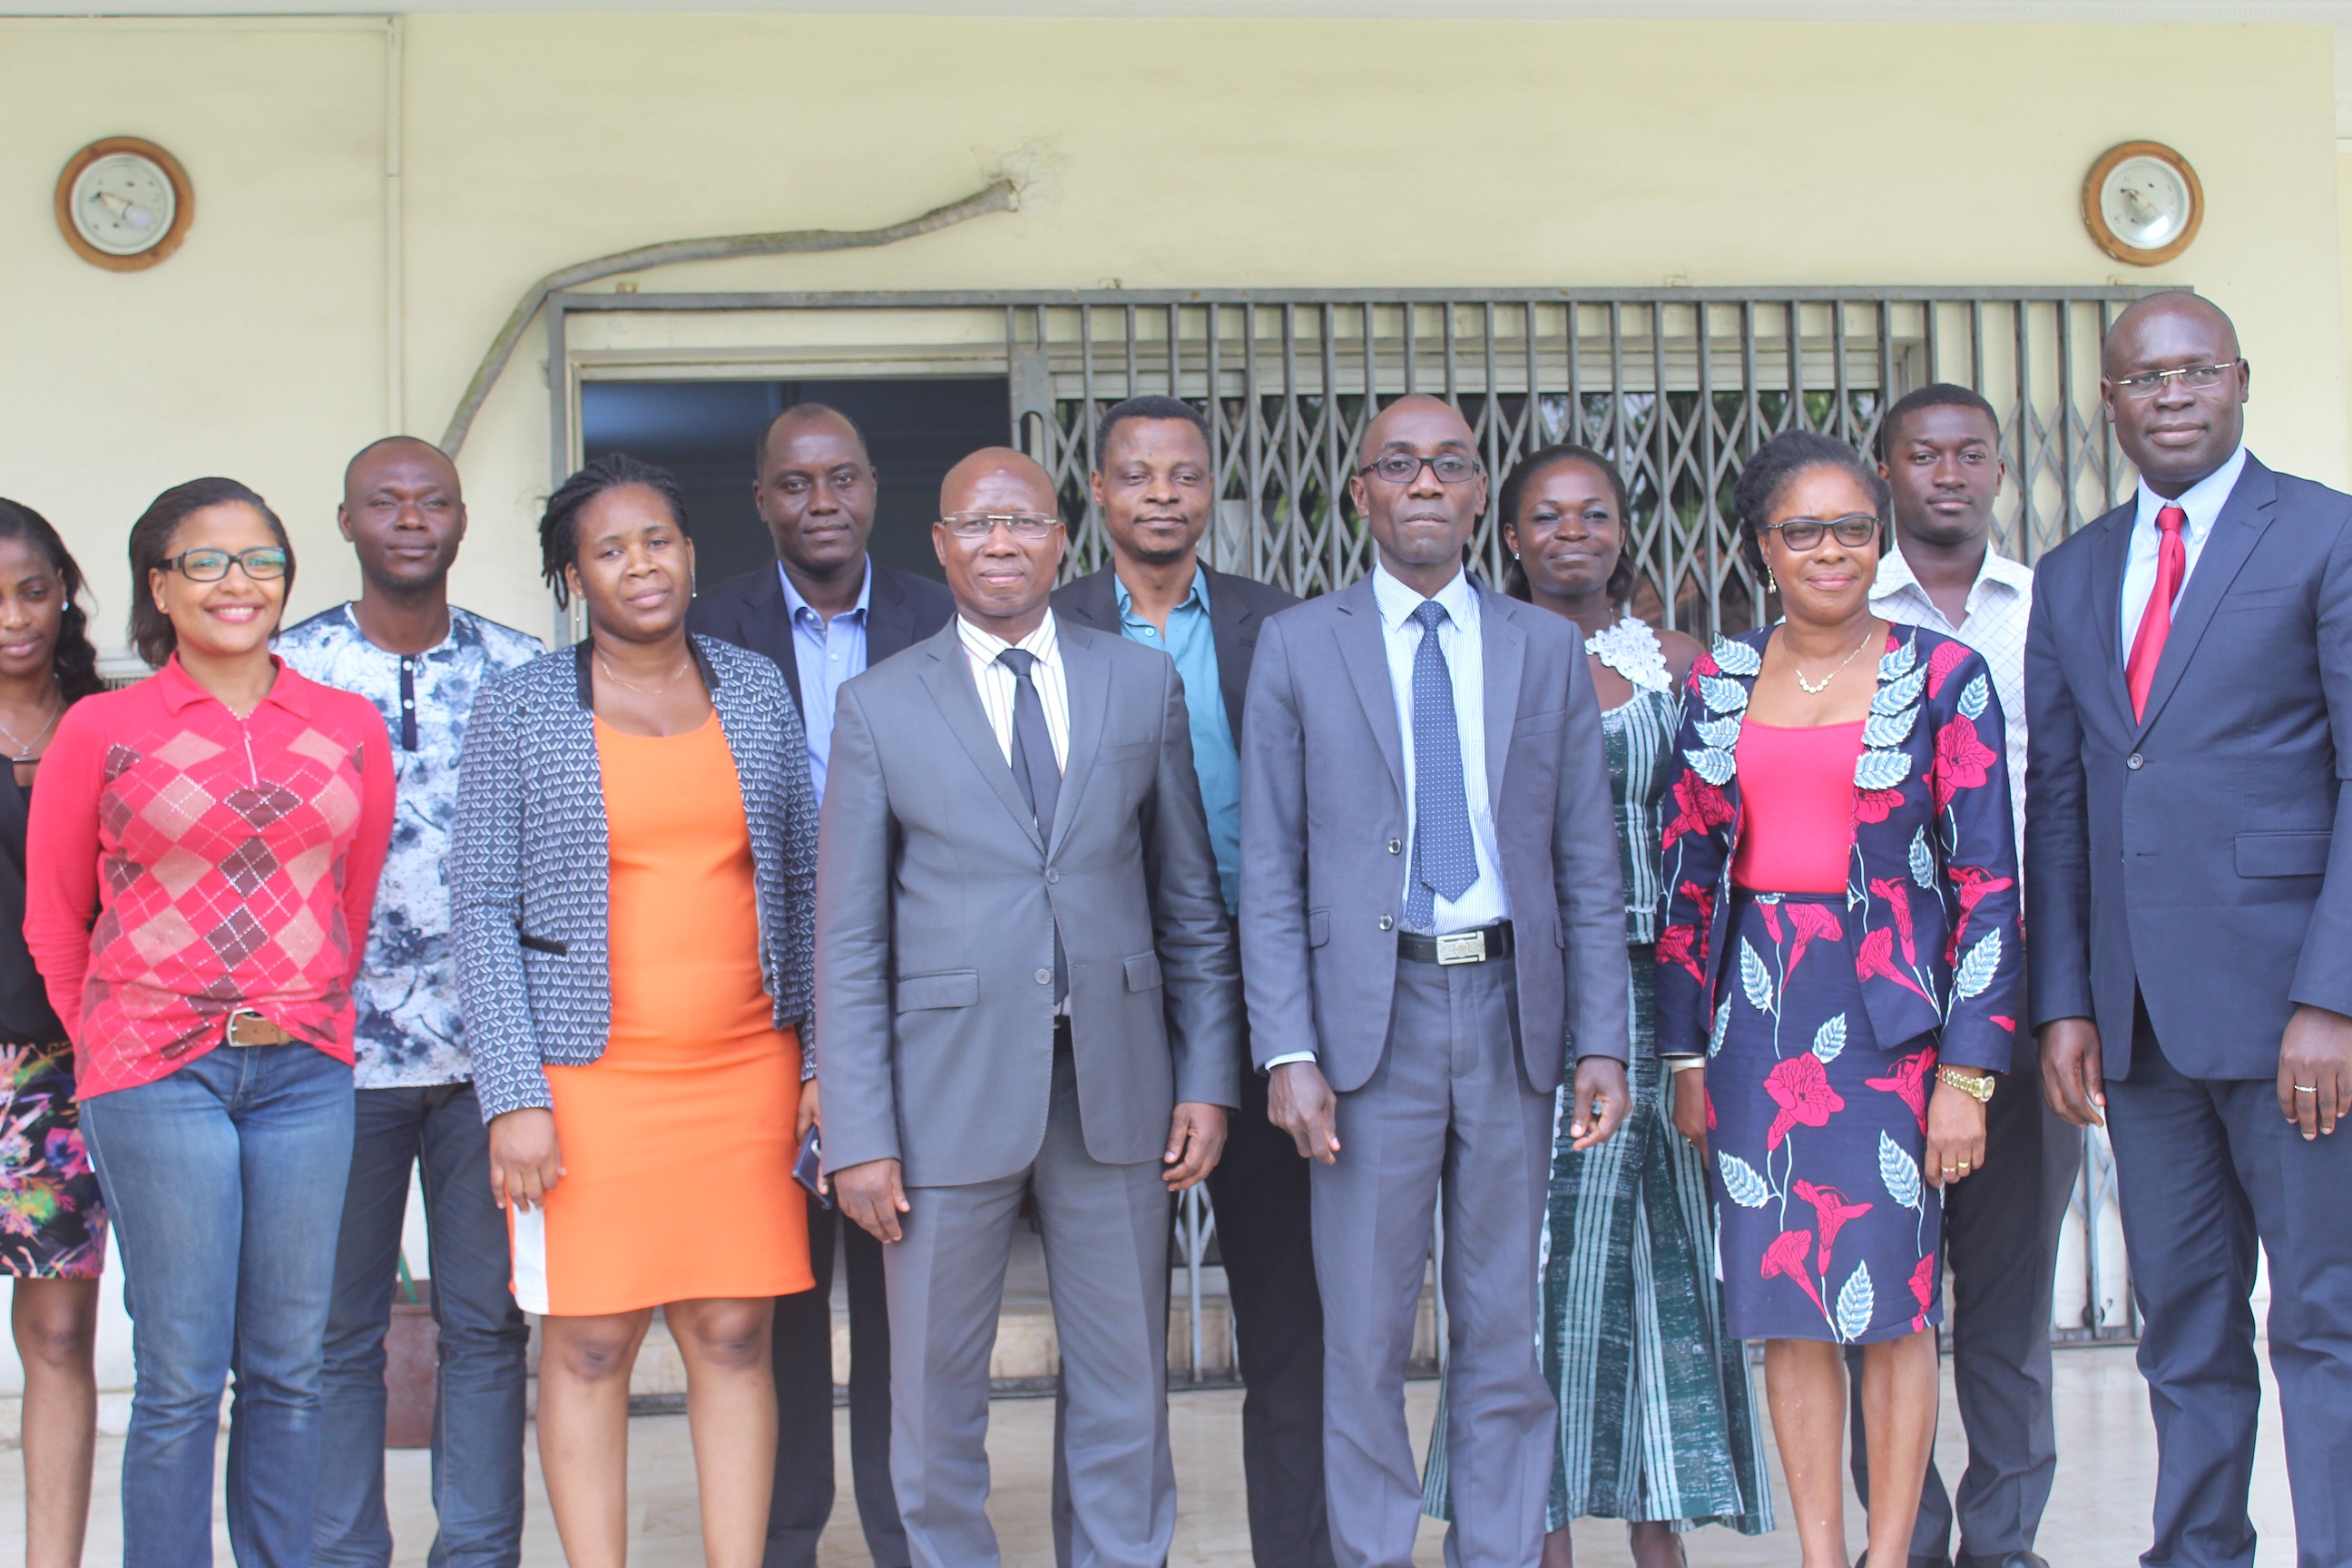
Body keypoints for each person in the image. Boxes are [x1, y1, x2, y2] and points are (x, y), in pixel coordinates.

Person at [815, 447, 1240, 1568]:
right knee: (933, 1395)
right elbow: (849, 940)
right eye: (975, 525)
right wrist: (856, 1131)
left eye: (1023, 523)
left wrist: (1206, 1075)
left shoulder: (1139, 683)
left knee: (1122, 1382)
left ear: (1063, 540)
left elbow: (1189, 902)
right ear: (942, 547)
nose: (1001, 544)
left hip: (1117, 1084)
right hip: (943, 1092)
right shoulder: (880, 704)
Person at [1238, 393, 1632, 1568]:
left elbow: (1584, 855)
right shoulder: (1299, 646)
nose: (1422, 484)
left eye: (1447, 466)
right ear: (1359, 493)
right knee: (1360, 1339)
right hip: (1369, 1031)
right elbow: (1269, 861)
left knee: (1502, 1333)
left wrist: (1602, 1040)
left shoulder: (1544, 648)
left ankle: (1498, 1553)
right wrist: (1287, 1050)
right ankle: (1371, 1554)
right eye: (1397, 466)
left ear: (1479, 499)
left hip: (1512, 1019)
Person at [1654, 430, 2022, 1568]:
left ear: (1882, 540)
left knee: (1897, 1303)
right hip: (1754, 1020)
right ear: (1762, 546)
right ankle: (1823, 1555)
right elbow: (1686, 878)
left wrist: (1968, 1073)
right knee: (1787, 1304)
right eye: (1802, 531)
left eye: (1853, 530)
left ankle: (1891, 1551)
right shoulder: (1720, 679)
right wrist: (1683, 1058)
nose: (1830, 551)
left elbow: (1990, 886)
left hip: (1890, 1025)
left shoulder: (1946, 677)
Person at [2025, 290, 2352, 1568]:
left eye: (2194, 370)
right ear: (2107, 403)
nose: (2168, 393)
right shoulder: (2075, 572)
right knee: (2184, 1327)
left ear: (2240, 381)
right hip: (2142, 1028)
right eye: (2142, 377)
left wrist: (2334, 998)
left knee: (2321, 1319)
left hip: (2293, 1025)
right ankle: (2199, 1550)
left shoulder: (2325, 535)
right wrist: (2065, 1001)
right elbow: (2062, 796)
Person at [451, 453, 818, 1568]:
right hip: (585, 1081)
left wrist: (820, 1059)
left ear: (693, 552)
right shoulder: (518, 708)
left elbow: (804, 880)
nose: (640, 565)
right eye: (609, 549)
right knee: (592, 1341)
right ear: (574, 577)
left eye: (657, 540)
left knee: (732, 1329)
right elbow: (479, 908)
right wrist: (513, 1096)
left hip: (747, 1067)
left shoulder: (754, 687)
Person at [24, 478, 396, 1568]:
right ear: (158, 585)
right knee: (184, 1375)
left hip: (304, 1075)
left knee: (290, 1365)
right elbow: (56, 920)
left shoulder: (345, 726)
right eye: (206, 561)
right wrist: (113, 1045)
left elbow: (351, 898)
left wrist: (305, 1007)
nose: (238, 582)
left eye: (261, 560)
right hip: (155, 1074)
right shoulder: (105, 727)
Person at [1420, 444, 1772, 1567]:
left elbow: (1733, 834)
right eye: (1546, 516)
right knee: (1539, 1262)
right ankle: (1539, 1525)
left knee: (1665, 1256)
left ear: (1624, 531)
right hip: (1525, 995)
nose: (1573, 532)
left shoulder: (1684, 665)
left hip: (1667, 1002)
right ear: (1508, 536)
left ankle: (1659, 1523)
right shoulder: (1473, 661)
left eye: (1596, 513)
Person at [1051, 394, 1328, 1568]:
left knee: (1288, 1314)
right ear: (1099, 493)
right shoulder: (1051, 626)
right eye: (1137, 474)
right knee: (1108, 1325)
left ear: (1208, 491)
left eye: (1183, 474)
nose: (1161, 493)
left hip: (1264, 983)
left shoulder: (1283, 625)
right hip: (1103, 997)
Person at [688, 403, 951, 1568]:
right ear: (762, 503)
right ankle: (787, 1535)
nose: (821, 502)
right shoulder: (703, 631)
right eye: (795, 485)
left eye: (841, 478)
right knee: (779, 1284)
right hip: (753, 1003)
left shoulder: (939, 616)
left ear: (873, 488)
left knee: (907, 1288)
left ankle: (903, 1535)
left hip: (917, 993)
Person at [275, 437, 543, 1568]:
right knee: (338, 1334)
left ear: (463, 521)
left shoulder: (523, 671)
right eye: (385, 502)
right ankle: (344, 1553)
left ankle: (475, 1552)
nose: (410, 519)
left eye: (432, 501)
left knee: (488, 1327)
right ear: (345, 522)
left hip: (492, 1063)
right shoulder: (288, 670)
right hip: (330, 1058)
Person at [1862, 385, 2076, 1568]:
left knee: (2007, 1297)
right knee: (1877, 1296)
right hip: (1875, 999)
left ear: (1999, 469)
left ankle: (2003, 1541)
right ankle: (1899, 1536)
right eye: (1922, 454)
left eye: (1969, 454)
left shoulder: (2050, 613)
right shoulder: (1838, 610)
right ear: (1887, 470)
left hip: (2027, 992)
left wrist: (2069, 1006)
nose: (1948, 473)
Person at [0, 499, 108, 1568]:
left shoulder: (107, 718)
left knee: (62, 1333)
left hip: (68, 1064)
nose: (14, 618)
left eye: (33, 590)